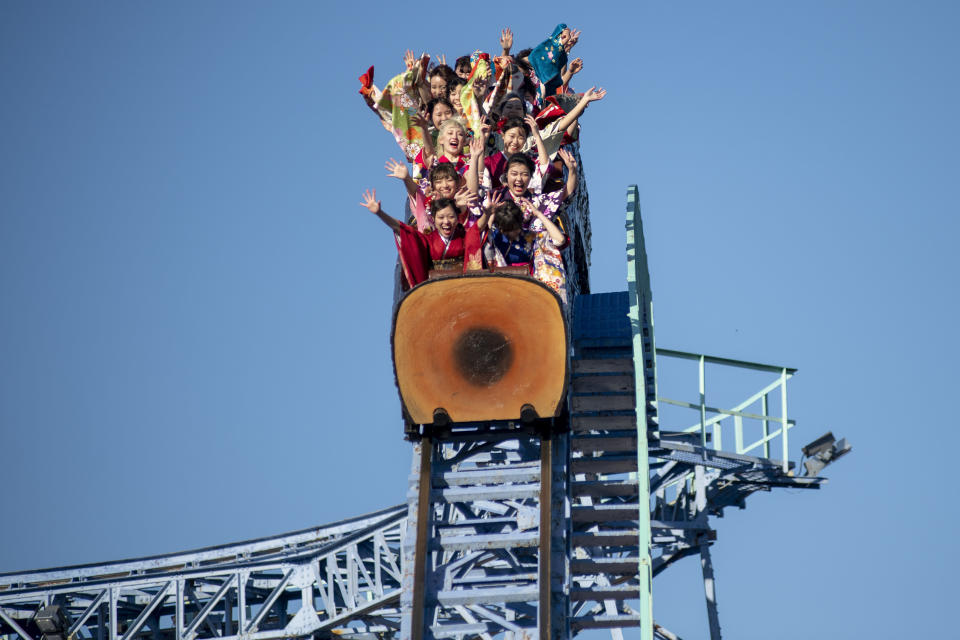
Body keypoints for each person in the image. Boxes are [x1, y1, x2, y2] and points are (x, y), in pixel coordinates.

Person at [359, 190, 489, 287]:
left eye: (450, 217)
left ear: (457, 217)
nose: (446, 222)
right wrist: (380, 213)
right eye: (441, 217)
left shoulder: (464, 236)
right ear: (433, 219)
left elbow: (476, 230)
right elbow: (402, 230)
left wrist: (488, 214)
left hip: (462, 285)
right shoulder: (427, 240)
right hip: (434, 287)